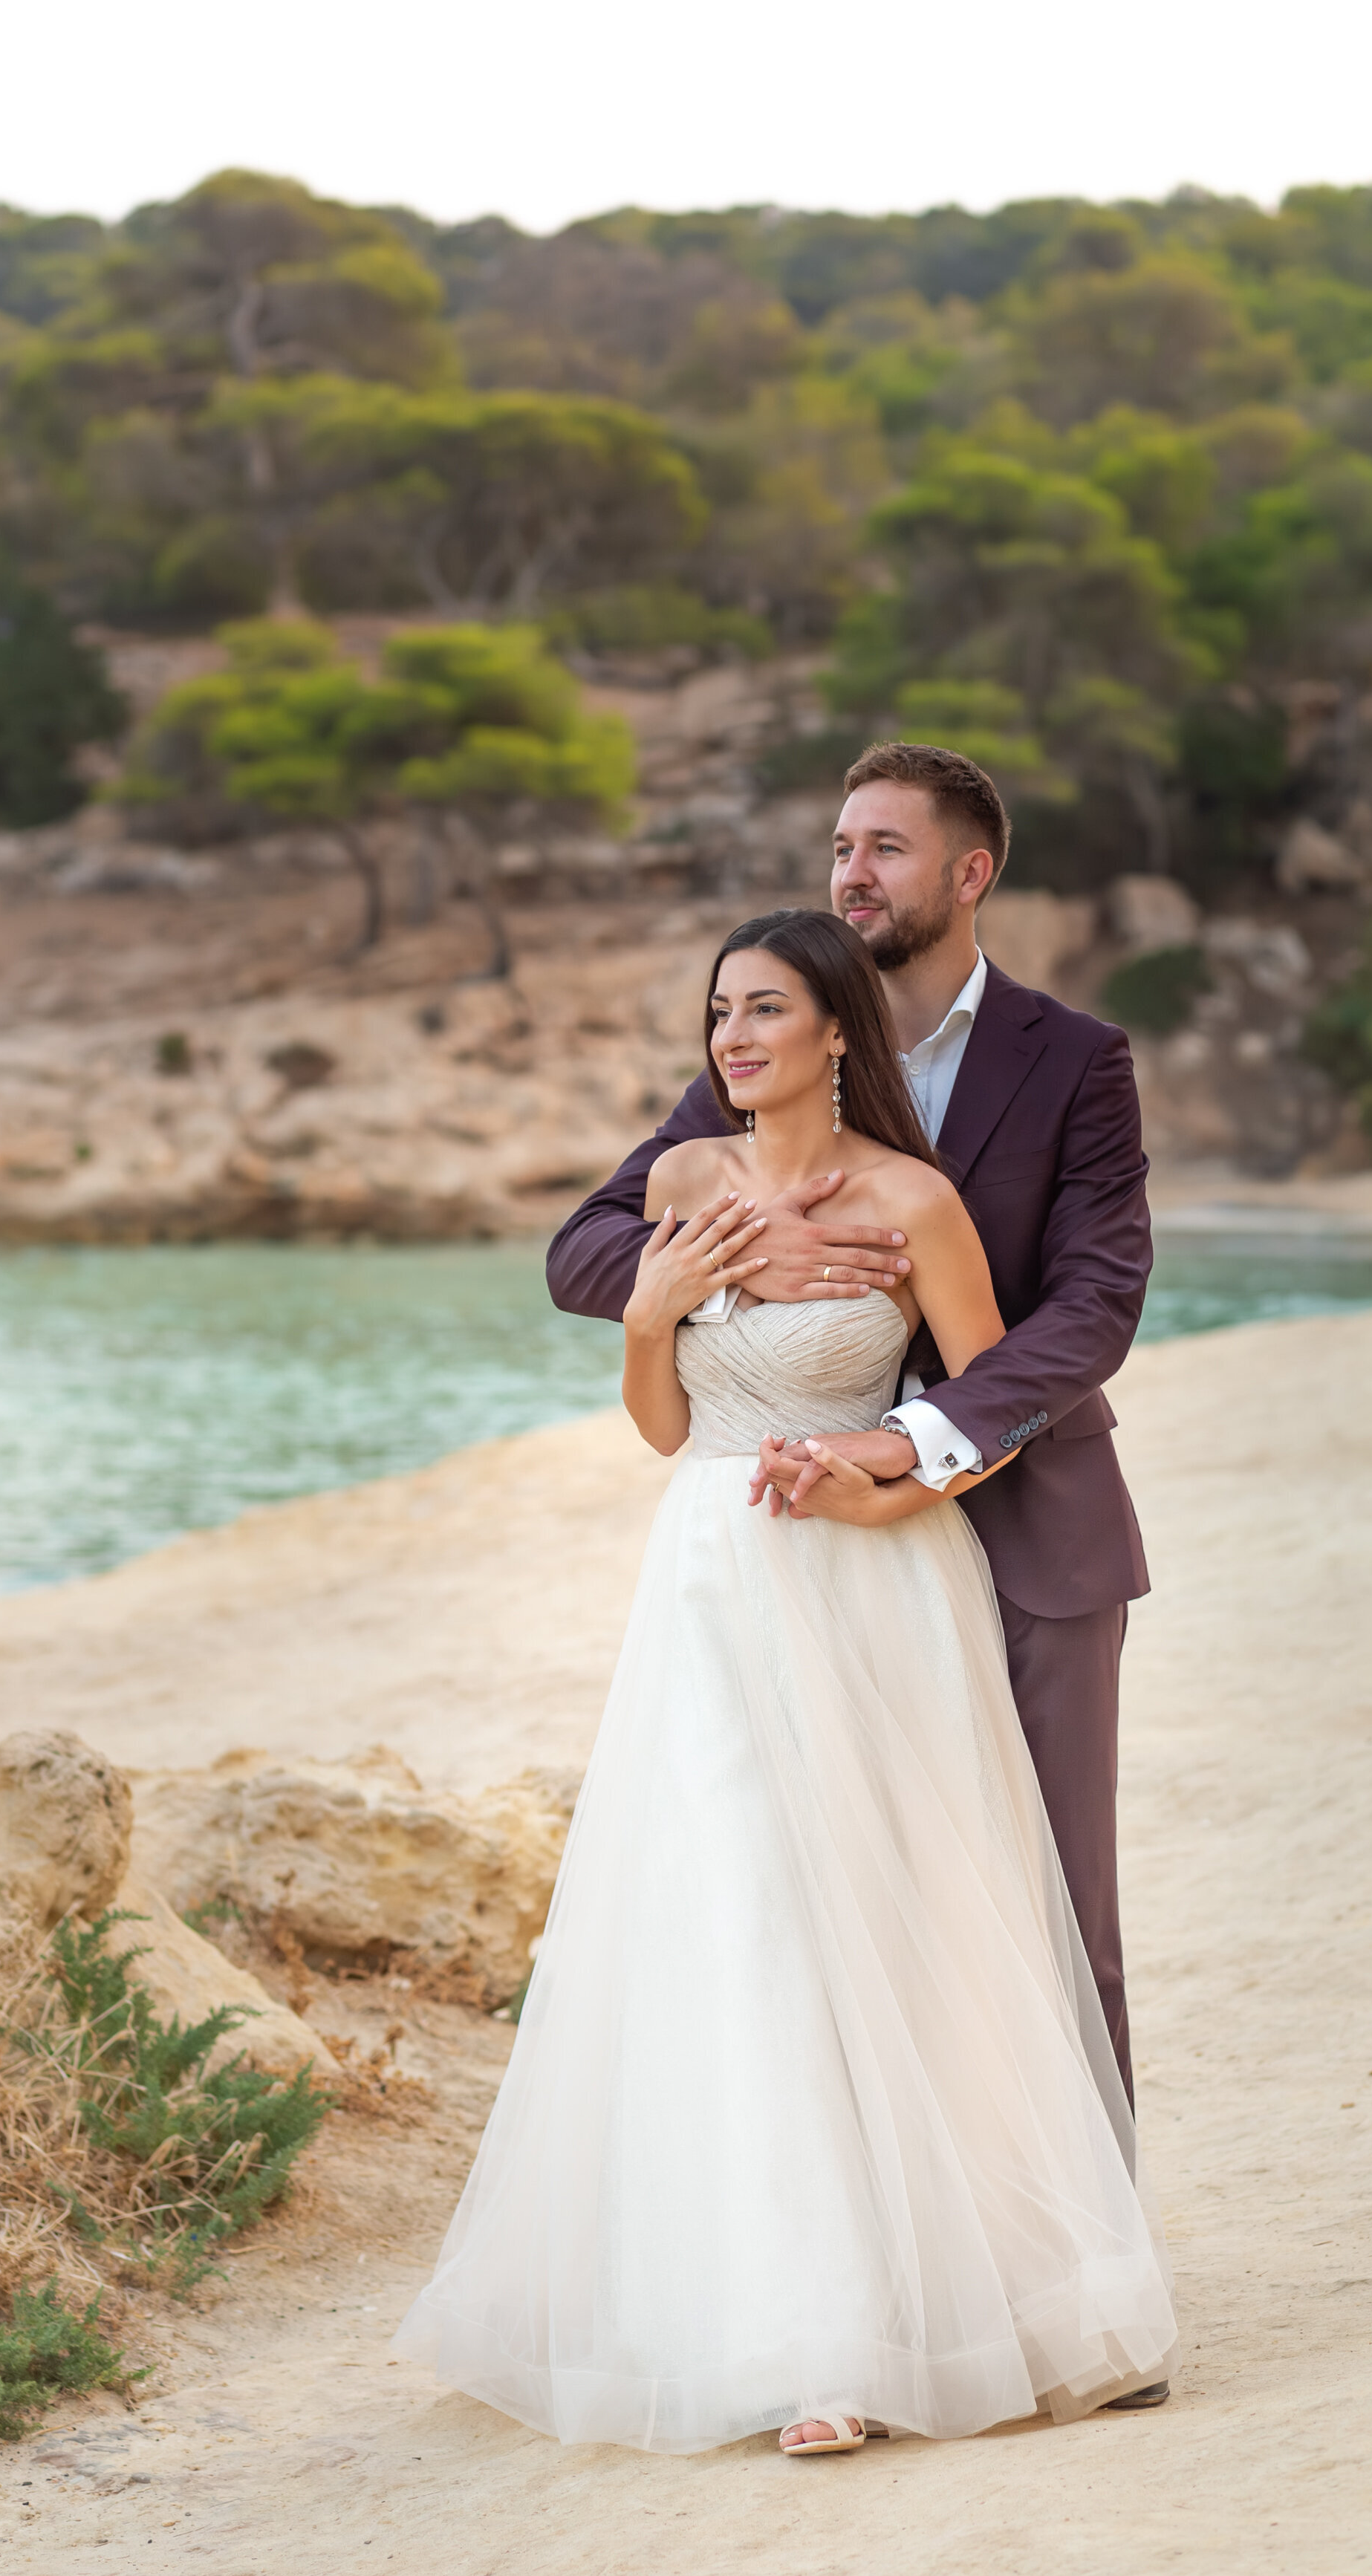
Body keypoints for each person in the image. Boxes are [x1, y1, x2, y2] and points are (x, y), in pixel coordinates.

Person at [396, 906, 1177, 2456]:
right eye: (717, 1015)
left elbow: (989, 1401)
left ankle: (956, 2300)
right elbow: (666, 1427)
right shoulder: (682, 1186)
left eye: (763, 1012)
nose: (732, 1039)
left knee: (890, 1922)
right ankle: (799, 2335)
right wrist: (653, 1309)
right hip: (707, 1576)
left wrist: (888, 1482)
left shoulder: (917, 1202)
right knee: (734, 1916)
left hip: (872, 1582)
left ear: (838, 1030)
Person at [547, 743, 1154, 2126]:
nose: (850, 871)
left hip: (1028, 1534)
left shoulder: (1074, 1061)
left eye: (883, 847)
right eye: (838, 846)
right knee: (810, 1903)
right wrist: (742, 1263)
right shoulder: (777, 1040)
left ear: (967, 872)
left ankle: (1091, 2285)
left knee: (1045, 1905)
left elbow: (1096, 1303)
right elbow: (586, 1248)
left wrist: (922, 1439)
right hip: (799, 1551)